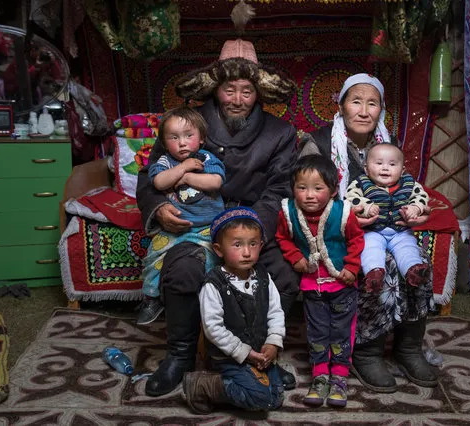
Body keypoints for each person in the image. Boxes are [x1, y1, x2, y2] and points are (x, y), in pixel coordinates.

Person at [136, 38, 299, 397]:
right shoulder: (186, 124)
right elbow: (151, 176)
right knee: (183, 270)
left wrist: (246, 231)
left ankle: (260, 354)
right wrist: (160, 208)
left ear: (259, 93)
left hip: (252, 223)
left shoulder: (281, 133)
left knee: (283, 275)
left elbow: (278, 190)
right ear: (215, 88)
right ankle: (179, 356)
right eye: (229, 90)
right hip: (196, 221)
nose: (237, 100)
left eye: (246, 91)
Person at [299, 73, 438, 392]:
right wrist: (345, 219)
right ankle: (367, 350)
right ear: (342, 106)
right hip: (328, 230)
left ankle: (408, 349)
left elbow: (406, 189)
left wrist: (415, 212)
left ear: (381, 110)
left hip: (384, 228)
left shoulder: (387, 147)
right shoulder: (317, 143)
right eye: (356, 101)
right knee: (382, 266)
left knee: (415, 262)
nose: (363, 110)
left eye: (371, 103)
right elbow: (303, 200)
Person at [276, 154, 364, 408]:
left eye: (318, 188)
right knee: (316, 330)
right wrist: (296, 260)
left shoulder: (342, 212)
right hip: (312, 285)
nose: (309, 195)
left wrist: (351, 267)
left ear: (334, 190)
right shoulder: (289, 212)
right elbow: (283, 239)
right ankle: (320, 375)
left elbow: (357, 240)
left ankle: (340, 376)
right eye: (302, 188)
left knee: (340, 331)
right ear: (293, 189)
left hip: (342, 284)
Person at [183, 208, 285, 413]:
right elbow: (213, 328)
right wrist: (244, 353)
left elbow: (275, 311)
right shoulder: (214, 284)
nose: (247, 252)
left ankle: (255, 378)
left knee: (275, 398)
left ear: (261, 246)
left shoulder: (263, 277)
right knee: (260, 398)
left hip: (258, 353)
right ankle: (202, 385)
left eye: (253, 244)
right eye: (237, 245)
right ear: (219, 250)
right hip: (229, 356)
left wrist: (273, 341)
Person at [137, 107, 226, 325]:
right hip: (174, 228)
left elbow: (215, 182)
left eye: (189, 136)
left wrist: (185, 178)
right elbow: (159, 182)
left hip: (209, 226)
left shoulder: (207, 157)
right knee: (153, 258)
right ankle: (151, 298)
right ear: (165, 143)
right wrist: (184, 167)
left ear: (202, 138)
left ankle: (213, 300)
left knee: (213, 260)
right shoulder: (164, 162)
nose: (182, 142)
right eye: (174, 138)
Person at [345, 143, 430, 291]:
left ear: (402, 170)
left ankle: (413, 271)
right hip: (373, 231)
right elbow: (350, 199)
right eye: (378, 163)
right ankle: (374, 274)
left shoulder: (409, 183)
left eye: (392, 164)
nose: (385, 168)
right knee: (370, 248)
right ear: (366, 168)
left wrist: (415, 208)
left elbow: (421, 197)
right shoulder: (361, 183)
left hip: (401, 231)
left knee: (408, 248)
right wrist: (367, 207)